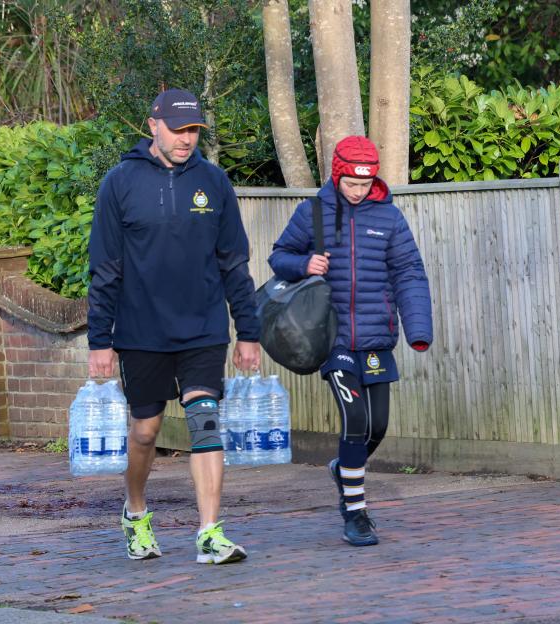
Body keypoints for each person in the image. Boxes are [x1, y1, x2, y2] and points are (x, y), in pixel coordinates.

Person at [87, 88, 261, 564]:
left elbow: (234, 262)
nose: (187, 139)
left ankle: (209, 533)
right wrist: (99, 340)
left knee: (205, 420)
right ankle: (136, 512)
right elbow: (104, 268)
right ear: (153, 126)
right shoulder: (119, 183)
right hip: (142, 330)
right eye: (179, 129)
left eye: (193, 131)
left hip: (203, 326)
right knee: (146, 430)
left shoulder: (214, 182)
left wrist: (248, 330)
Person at [268, 136, 433, 546]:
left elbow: (409, 273)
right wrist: (304, 263)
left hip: (377, 337)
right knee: (355, 420)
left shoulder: (390, 219)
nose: (358, 191)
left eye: (365, 184)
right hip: (332, 336)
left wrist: (419, 331)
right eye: (351, 184)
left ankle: (343, 467)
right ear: (338, 174)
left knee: (378, 426)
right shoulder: (315, 214)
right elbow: (279, 257)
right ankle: (356, 513)